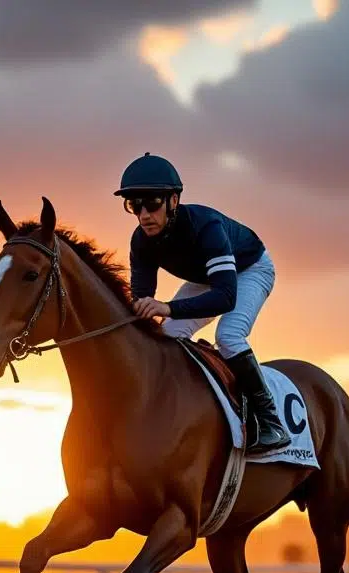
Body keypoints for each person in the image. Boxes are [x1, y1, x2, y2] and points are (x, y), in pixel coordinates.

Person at [113, 152, 291, 454]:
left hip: (249, 269)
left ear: (173, 201)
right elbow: (142, 301)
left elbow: (225, 296)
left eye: (152, 202)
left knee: (229, 335)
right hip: (208, 277)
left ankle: (270, 420)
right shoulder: (140, 240)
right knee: (168, 335)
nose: (144, 214)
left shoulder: (206, 227)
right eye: (134, 204)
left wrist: (167, 307)